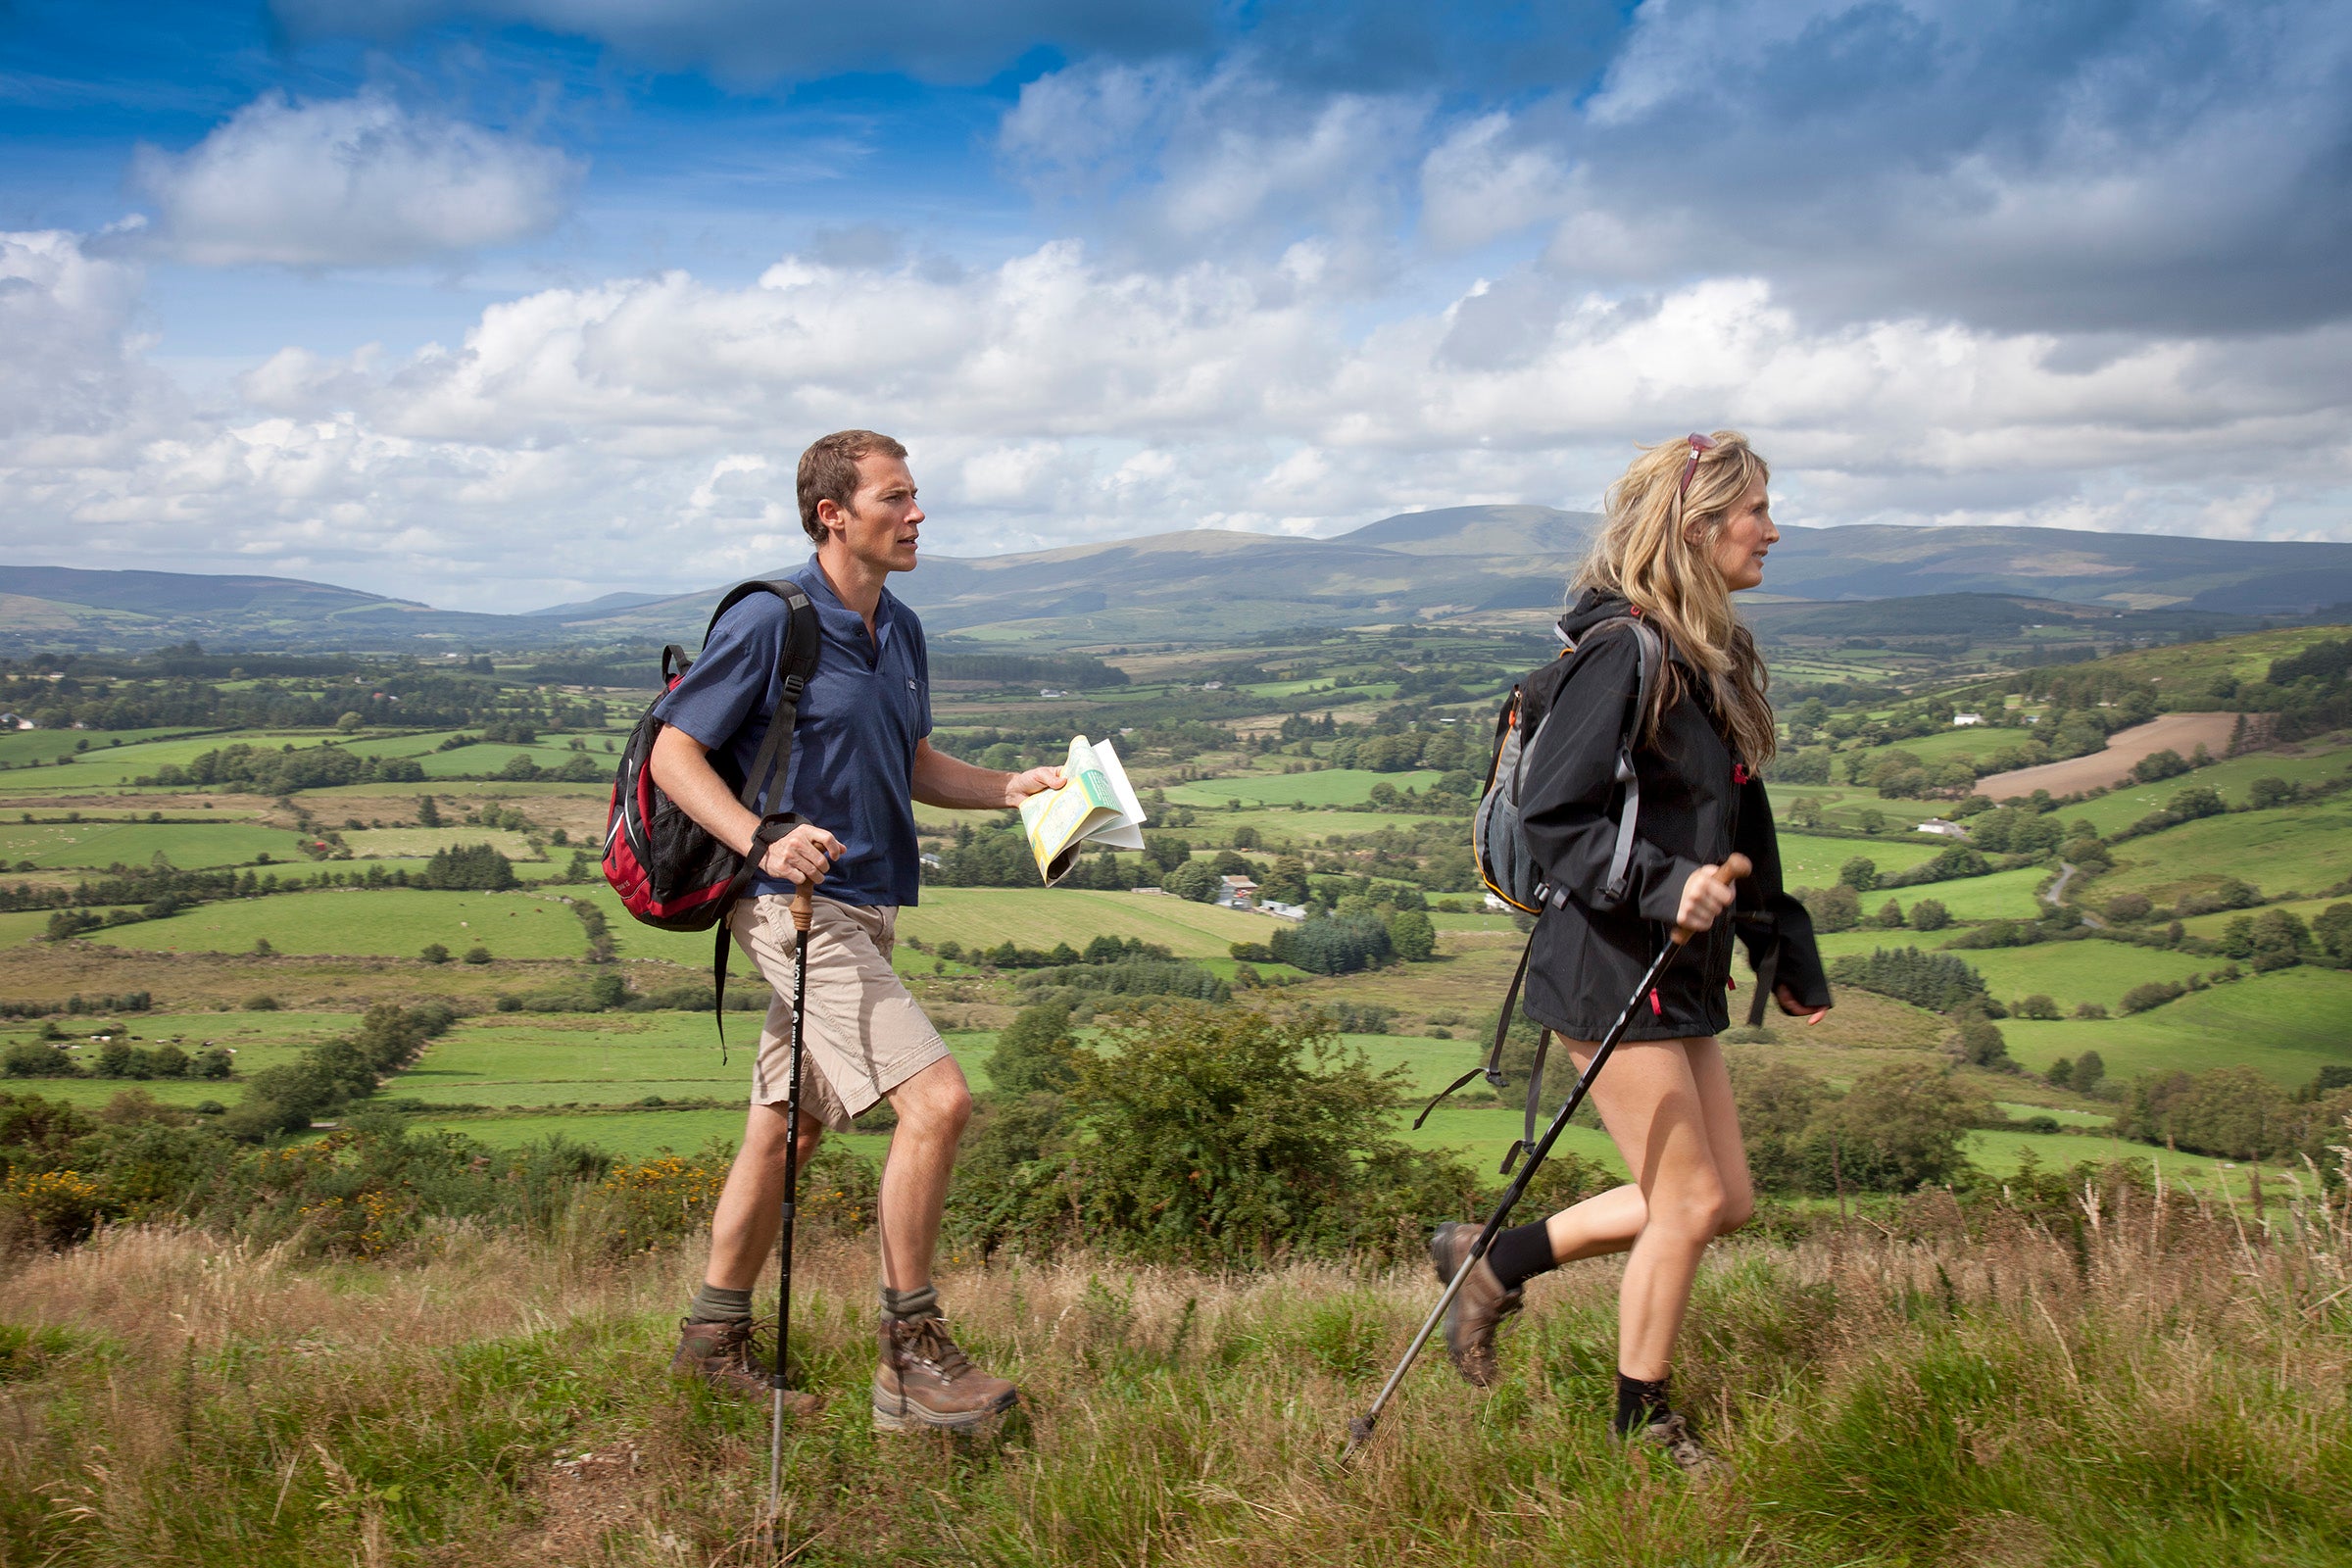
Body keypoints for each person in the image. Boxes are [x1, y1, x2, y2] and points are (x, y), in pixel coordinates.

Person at [1427, 430, 1832, 1476]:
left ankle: (1493, 1258)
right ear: (1700, 529)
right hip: (1608, 961)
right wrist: (1662, 885)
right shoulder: (1627, 650)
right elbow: (1554, 811)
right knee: (1689, 1203)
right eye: (1757, 514)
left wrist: (1780, 944)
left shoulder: (1708, 654)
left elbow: (1740, 817)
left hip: (1677, 961)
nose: (1774, 531)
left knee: (1722, 1198)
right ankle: (1642, 1428)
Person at [655, 428, 1066, 1434]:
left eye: (916, 495)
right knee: (939, 1100)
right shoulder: (773, 620)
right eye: (896, 497)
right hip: (791, 910)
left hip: (871, 905)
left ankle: (711, 1341)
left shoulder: (903, 627)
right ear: (833, 513)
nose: (917, 513)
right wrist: (762, 840)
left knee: (787, 1127)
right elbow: (675, 751)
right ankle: (911, 1357)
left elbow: (915, 761)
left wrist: (1010, 789)